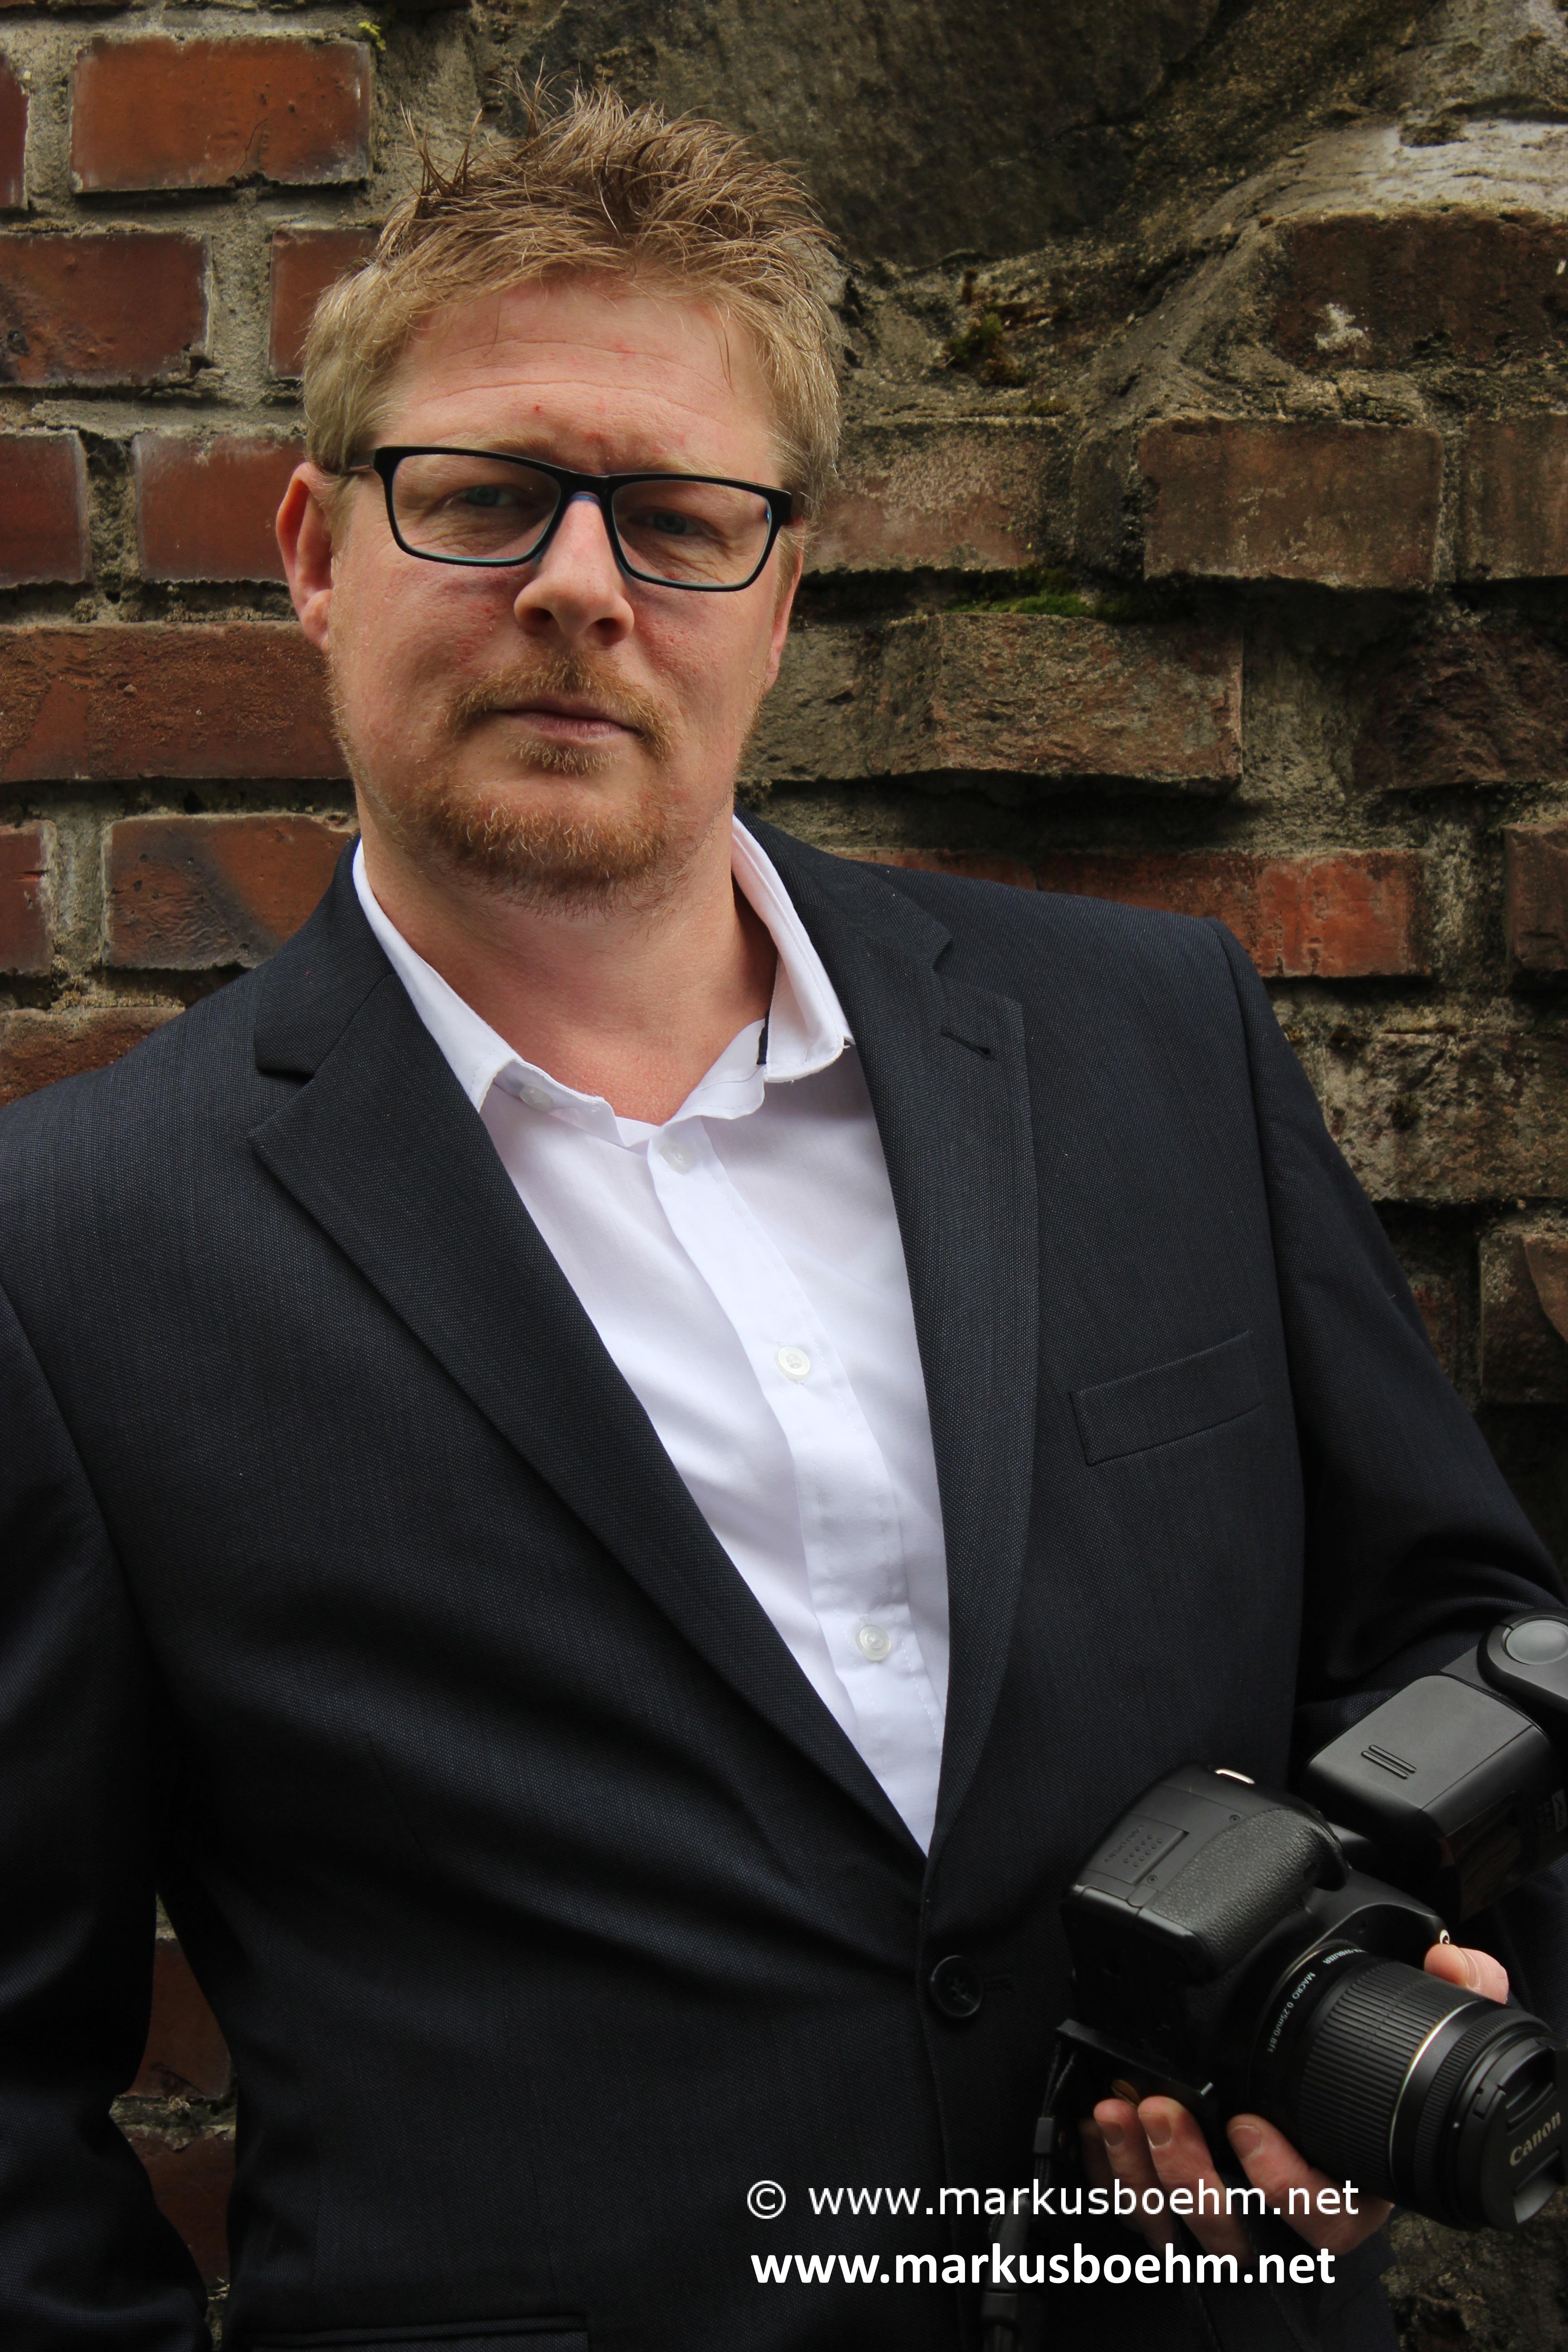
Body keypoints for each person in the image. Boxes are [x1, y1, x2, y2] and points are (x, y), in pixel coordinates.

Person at [0, 88, 1558, 2352]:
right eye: (484, 497)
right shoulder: (70, 1255)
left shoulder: (1152, 1042)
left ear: (784, 588)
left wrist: (1408, 1984)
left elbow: (1467, 1635)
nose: (578, 586)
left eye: (676, 518)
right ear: (319, 551)